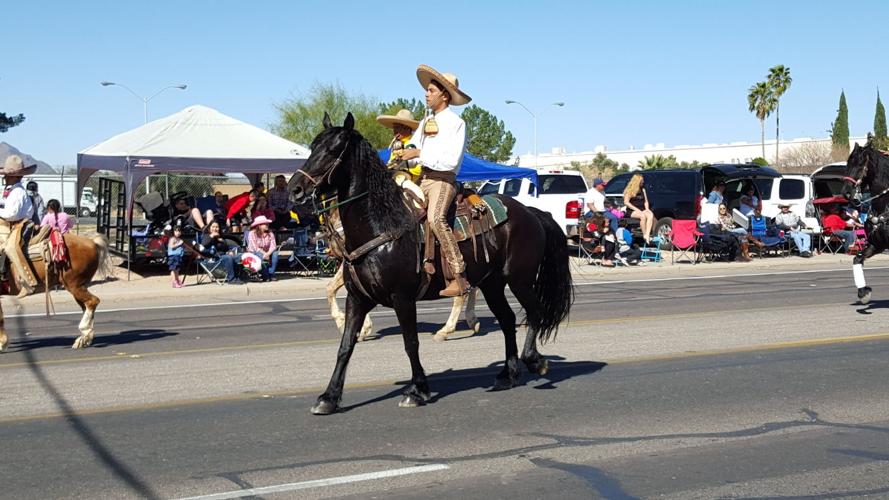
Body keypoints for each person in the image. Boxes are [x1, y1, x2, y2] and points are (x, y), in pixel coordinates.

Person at [400, 64, 472, 297]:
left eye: (431, 90)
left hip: (443, 180)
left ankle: (459, 275)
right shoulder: (425, 122)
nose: (426, 94)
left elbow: (451, 161)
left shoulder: (456, 123)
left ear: (444, 95)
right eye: (427, 90)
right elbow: (414, 147)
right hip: (423, 178)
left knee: (435, 218)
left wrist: (419, 154)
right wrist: (406, 152)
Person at [0, 155, 38, 296]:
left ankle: (28, 282)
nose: (5, 178)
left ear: (15, 176)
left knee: (10, 247)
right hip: (9, 223)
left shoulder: (18, 192)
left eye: (7, 175)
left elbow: (12, 214)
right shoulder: (10, 190)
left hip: (19, 224)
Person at [623, 173, 655, 244]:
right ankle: (644, 234)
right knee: (642, 216)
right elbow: (626, 202)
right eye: (642, 181)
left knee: (650, 214)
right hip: (632, 210)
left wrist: (647, 209)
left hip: (642, 209)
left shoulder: (643, 190)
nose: (643, 182)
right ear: (637, 182)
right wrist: (637, 210)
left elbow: (646, 201)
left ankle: (647, 234)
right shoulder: (629, 190)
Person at [247, 215, 279, 281]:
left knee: (275, 254)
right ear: (259, 225)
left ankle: (271, 273)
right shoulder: (252, 233)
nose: (267, 225)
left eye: (267, 224)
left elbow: (273, 246)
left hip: (267, 253)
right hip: (255, 253)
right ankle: (266, 275)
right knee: (259, 255)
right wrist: (264, 254)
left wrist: (267, 254)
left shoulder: (270, 233)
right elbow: (255, 248)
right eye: (265, 224)